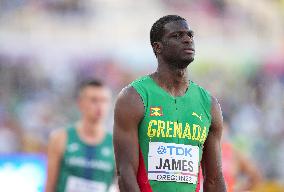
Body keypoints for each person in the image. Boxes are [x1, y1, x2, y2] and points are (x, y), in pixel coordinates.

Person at [113, 15, 226, 192]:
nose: (188, 40)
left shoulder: (209, 104)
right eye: (177, 36)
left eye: (190, 35)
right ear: (158, 47)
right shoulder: (133, 97)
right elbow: (125, 173)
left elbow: (214, 178)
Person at [45, 79, 116, 192]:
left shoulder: (115, 145)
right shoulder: (60, 139)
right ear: (80, 103)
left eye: (104, 101)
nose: (99, 106)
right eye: (94, 100)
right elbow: (49, 186)